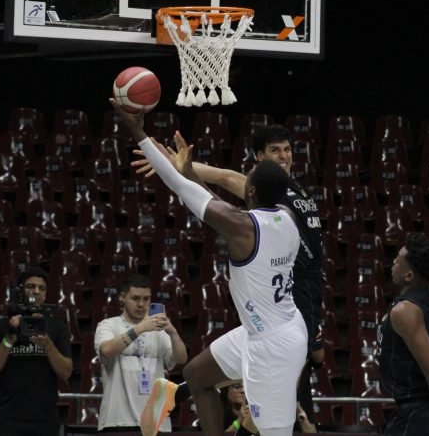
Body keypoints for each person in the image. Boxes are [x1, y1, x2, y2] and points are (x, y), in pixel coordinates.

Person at [112, 100, 308, 436]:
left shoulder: (244, 226)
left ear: (252, 191)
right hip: (273, 325)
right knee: (197, 375)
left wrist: (137, 129)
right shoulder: (288, 214)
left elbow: (186, 192)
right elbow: (216, 205)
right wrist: (189, 174)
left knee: (273, 431)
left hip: (273, 345)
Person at [376, 233, 429, 436]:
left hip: (416, 413)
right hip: (427, 409)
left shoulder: (405, 311)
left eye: (397, 261)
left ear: (409, 276)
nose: (393, 264)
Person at [0, 266, 73, 436]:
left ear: (46, 294)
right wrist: (10, 338)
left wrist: (47, 344)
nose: (36, 291)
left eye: (42, 288)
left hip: (45, 417)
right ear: (20, 291)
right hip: (8, 416)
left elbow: (66, 372)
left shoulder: (57, 327)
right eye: (31, 286)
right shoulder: (3, 326)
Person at [94, 273, 188, 432]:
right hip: (118, 421)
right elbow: (107, 350)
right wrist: (139, 329)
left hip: (157, 423)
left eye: (146, 299)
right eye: (135, 298)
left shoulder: (158, 330)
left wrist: (173, 332)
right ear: (123, 298)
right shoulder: (108, 325)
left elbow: (181, 358)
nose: (141, 304)